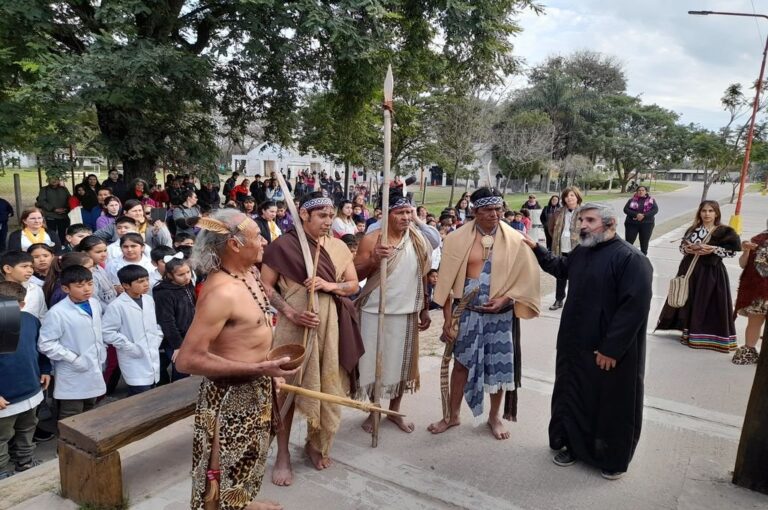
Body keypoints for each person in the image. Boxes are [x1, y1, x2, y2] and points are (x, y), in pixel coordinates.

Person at [174, 208, 295, 510]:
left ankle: (244, 504)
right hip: (230, 397)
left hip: (258, 386)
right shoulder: (221, 292)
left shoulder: (251, 273)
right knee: (221, 475)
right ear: (235, 245)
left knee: (250, 460)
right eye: (257, 236)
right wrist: (258, 368)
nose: (265, 241)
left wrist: (268, 371)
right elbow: (186, 360)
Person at [522, 202, 652, 479]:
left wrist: (610, 349)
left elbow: (634, 309)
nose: (582, 225)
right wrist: (536, 249)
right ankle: (571, 446)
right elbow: (560, 267)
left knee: (610, 403)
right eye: (581, 220)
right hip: (575, 343)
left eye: (590, 220)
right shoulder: (583, 251)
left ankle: (610, 457)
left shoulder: (632, 259)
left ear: (610, 224)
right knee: (573, 395)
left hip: (609, 351)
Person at [261, 192, 362, 485]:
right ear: (304, 215)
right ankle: (282, 454)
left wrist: (328, 284)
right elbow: (266, 287)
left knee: (327, 384)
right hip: (294, 328)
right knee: (287, 393)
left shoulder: (340, 247)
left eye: (331, 216)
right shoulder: (282, 246)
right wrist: (291, 314)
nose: (328, 222)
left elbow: (353, 284)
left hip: (329, 324)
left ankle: (315, 445)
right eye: (322, 216)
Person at [429, 187, 540, 440]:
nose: (495, 214)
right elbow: (445, 283)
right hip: (467, 312)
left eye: (498, 208)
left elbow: (528, 277)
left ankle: (494, 417)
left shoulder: (516, 238)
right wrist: (448, 321)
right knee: (461, 364)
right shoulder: (456, 239)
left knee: (498, 366)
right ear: (475, 211)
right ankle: (453, 415)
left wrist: (508, 298)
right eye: (488, 209)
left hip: (501, 315)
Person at [353, 193, 434, 433]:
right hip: (374, 310)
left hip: (407, 311)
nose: (407, 217)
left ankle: (392, 411)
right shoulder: (372, 239)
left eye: (409, 212)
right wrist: (374, 259)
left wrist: (425, 309)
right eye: (400, 212)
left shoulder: (418, 239)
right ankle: (374, 411)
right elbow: (356, 275)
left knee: (401, 365)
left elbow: (423, 276)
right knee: (372, 364)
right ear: (386, 214)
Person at [656, 201, 741, 353]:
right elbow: (682, 249)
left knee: (709, 302)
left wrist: (712, 249)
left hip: (711, 272)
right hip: (690, 270)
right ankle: (689, 332)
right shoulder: (693, 230)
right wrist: (688, 248)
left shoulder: (725, 231)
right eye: (704, 211)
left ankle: (710, 336)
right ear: (699, 213)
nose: (707, 214)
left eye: (710, 211)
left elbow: (732, 252)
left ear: (716, 213)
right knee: (690, 299)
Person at [37, 265, 106, 423]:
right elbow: (45, 344)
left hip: (93, 365)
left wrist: (102, 350)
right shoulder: (57, 312)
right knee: (71, 414)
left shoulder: (94, 304)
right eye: (80, 286)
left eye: (90, 283)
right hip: (72, 370)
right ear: (65, 288)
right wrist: (73, 359)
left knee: (90, 407)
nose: (87, 289)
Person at [0, 281, 51, 480]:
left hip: (31, 389)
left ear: (22, 305)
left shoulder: (30, 320)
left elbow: (39, 348)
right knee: (2, 437)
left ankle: (25, 461)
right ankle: (2, 472)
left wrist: (45, 369)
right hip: (5, 399)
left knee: (27, 428)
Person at [102, 265, 163, 395]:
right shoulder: (117, 306)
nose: (146, 284)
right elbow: (107, 332)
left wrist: (158, 336)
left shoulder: (148, 299)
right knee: (141, 395)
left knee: (151, 391)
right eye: (140, 281)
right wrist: (129, 347)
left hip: (151, 352)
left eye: (147, 280)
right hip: (133, 358)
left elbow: (154, 323)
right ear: (126, 285)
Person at [153, 257, 196, 382]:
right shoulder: (164, 293)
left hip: (189, 335)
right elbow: (167, 321)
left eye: (188, 272)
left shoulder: (188, 285)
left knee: (187, 368)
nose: (187, 277)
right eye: (181, 274)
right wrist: (178, 345)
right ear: (170, 275)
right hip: (173, 338)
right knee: (181, 369)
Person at [731, 221, 768, 365]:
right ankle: (749, 352)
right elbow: (743, 264)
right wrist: (746, 250)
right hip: (757, 291)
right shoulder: (758, 239)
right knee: (754, 322)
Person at [548, 187, 583, 310]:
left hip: (578, 249)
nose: (569, 198)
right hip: (561, 247)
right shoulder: (558, 212)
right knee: (561, 275)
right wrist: (558, 239)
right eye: (567, 196)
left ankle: (575, 302)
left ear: (577, 197)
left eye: (572, 195)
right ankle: (559, 300)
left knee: (577, 276)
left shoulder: (584, 212)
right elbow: (551, 229)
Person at [94, 199, 173, 250]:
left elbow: (166, 244)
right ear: (125, 213)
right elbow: (95, 236)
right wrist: (111, 246)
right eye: (134, 211)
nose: (138, 213)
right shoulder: (117, 224)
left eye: (140, 210)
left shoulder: (152, 224)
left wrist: (160, 231)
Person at [0, 251, 47, 321]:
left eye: (31, 267)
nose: (30, 270)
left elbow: (43, 315)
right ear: (7, 269)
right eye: (24, 266)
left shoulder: (36, 289)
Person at [77, 236, 118, 309]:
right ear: (84, 253)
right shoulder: (87, 274)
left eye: (105, 250)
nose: (104, 255)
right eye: (98, 252)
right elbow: (94, 301)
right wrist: (113, 311)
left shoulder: (99, 267)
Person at [622, 186, 658, 255]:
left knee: (644, 243)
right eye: (639, 190)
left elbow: (655, 210)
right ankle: (627, 258)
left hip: (647, 224)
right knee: (629, 243)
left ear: (646, 191)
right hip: (632, 224)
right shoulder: (632, 200)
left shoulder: (651, 200)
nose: (641, 192)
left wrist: (644, 216)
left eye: (643, 190)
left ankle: (643, 259)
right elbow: (626, 209)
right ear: (637, 191)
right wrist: (636, 215)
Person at [35, 176, 71, 242]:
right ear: (48, 180)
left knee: (63, 233)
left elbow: (70, 199)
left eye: (56, 179)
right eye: (52, 178)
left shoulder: (64, 189)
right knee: (51, 233)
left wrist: (66, 209)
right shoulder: (44, 189)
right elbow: (42, 201)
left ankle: (63, 246)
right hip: (50, 215)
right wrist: (53, 209)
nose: (54, 180)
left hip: (63, 215)